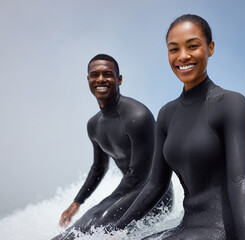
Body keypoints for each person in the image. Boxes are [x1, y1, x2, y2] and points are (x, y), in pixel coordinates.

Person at [115, 14, 245, 239]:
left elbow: (240, 183)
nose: (183, 56)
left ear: (210, 48)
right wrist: (115, 230)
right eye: (174, 49)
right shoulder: (166, 114)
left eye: (192, 46)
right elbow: (155, 185)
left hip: (221, 231)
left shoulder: (231, 104)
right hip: (186, 229)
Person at [54, 54, 173, 239]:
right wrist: (76, 203)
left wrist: (100, 209)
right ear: (88, 80)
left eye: (107, 74)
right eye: (95, 75)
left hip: (154, 197)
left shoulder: (137, 116)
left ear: (119, 79)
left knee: (91, 226)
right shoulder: (94, 125)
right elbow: (99, 167)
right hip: (127, 192)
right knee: (72, 233)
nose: (100, 79)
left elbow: (140, 176)